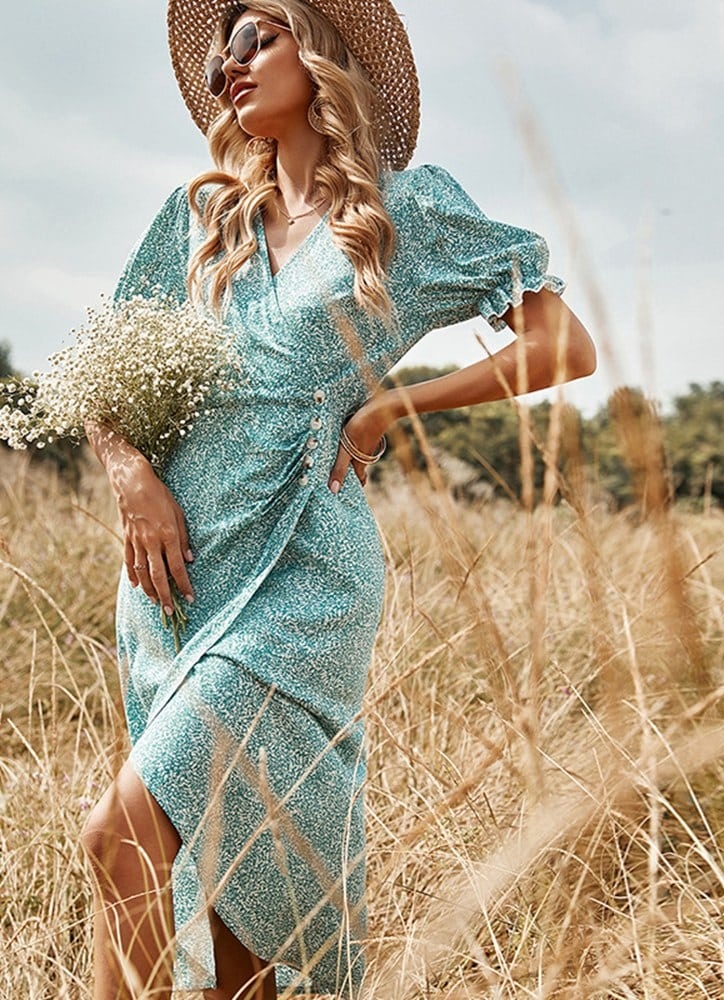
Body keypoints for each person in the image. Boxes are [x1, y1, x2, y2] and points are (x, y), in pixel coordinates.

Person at [81, 0, 596, 997]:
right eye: (221, 46)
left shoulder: (410, 211)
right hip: (177, 573)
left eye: (254, 35)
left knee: (121, 834)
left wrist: (393, 402)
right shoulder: (199, 219)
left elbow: (562, 346)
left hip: (303, 573)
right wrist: (128, 474)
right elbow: (102, 379)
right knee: (233, 918)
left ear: (321, 55)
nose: (229, 62)